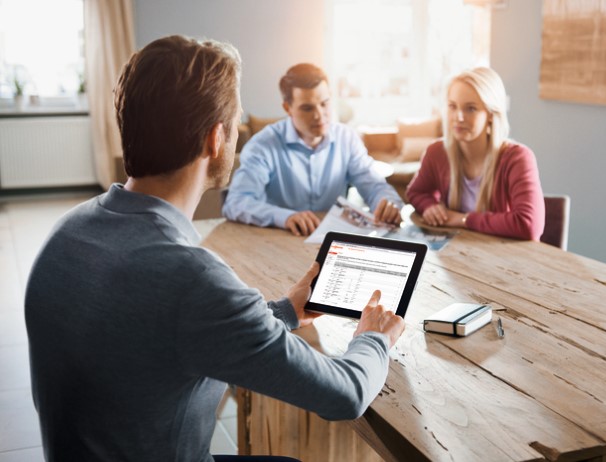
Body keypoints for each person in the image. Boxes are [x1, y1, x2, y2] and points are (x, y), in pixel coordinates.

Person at [24, 35, 405, 462]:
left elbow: (167, 331)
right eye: (235, 120)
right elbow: (345, 394)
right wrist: (374, 339)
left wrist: (285, 311)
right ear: (215, 139)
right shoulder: (192, 277)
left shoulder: (66, 232)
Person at [222, 63, 403, 236]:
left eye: (324, 103)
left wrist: (386, 204)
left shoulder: (346, 138)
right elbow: (236, 203)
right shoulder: (263, 145)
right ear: (288, 108)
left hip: (330, 241)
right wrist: (285, 217)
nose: (319, 115)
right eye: (307, 108)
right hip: (278, 240)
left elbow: (373, 185)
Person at [406, 67, 545, 240]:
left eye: (470, 109)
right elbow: (416, 193)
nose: (459, 117)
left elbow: (528, 225)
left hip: (505, 257)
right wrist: (429, 206)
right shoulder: (436, 152)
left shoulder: (518, 158)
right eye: (452, 106)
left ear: (491, 115)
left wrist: (464, 220)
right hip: (457, 252)